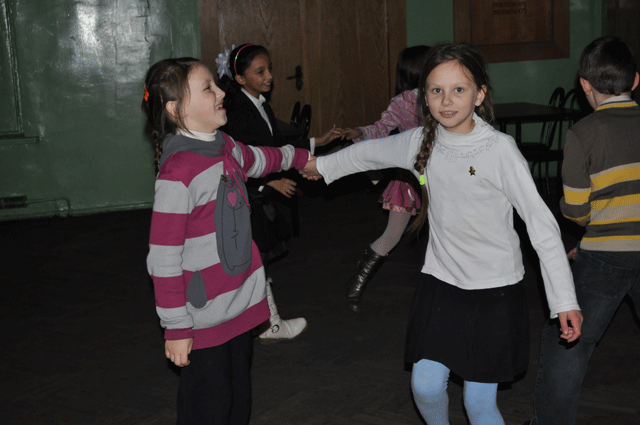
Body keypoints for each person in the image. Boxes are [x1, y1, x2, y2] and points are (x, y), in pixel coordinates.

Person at [301, 43, 583, 425]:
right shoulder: (420, 141)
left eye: (458, 89)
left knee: (478, 404)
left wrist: (564, 299)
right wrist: (322, 165)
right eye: (436, 90)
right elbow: (369, 153)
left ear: (479, 94)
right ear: (424, 96)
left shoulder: (499, 150)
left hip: (494, 291)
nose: (446, 101)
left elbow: (542, 226)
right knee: (425, 386)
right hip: (442, 283)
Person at [142, 57, 312, 424]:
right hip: (203, 317)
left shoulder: (224, 145)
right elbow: (163, 259)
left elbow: (260, 159)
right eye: (208, 88)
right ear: (176, 109)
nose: (221, 92)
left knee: (237, 398)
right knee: (209, 406)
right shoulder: (178, 173)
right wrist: (176, 327)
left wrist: (302, 158)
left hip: (238, 304)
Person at [528, 37, 640, 425]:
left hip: (607, 255)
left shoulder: (582, 132)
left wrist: (592, 232)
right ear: (635, 81)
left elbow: (576, 211)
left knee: (570, 339)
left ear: (585, 85)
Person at [216, 44, 340, 343]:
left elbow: (274, 145)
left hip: (254, 193)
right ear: (240, 78)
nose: (269, 76)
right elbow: (236, 160)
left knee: (253, 260)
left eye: (269, 68)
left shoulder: (257, 102)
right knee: (253, 259)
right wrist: (269, 184)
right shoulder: (237, 113)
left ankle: (253, 317)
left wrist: (316, 142)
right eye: (260, 72)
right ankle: (269, 325)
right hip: (246, 196)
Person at [335, 45, 430, 312]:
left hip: (436, 177)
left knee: (445, 233)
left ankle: (447, 290)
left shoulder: (439, 94)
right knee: (392, 234)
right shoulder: (404, 102)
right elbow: (380, 129)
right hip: (412, 180)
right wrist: (359, 132)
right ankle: (356, 283)